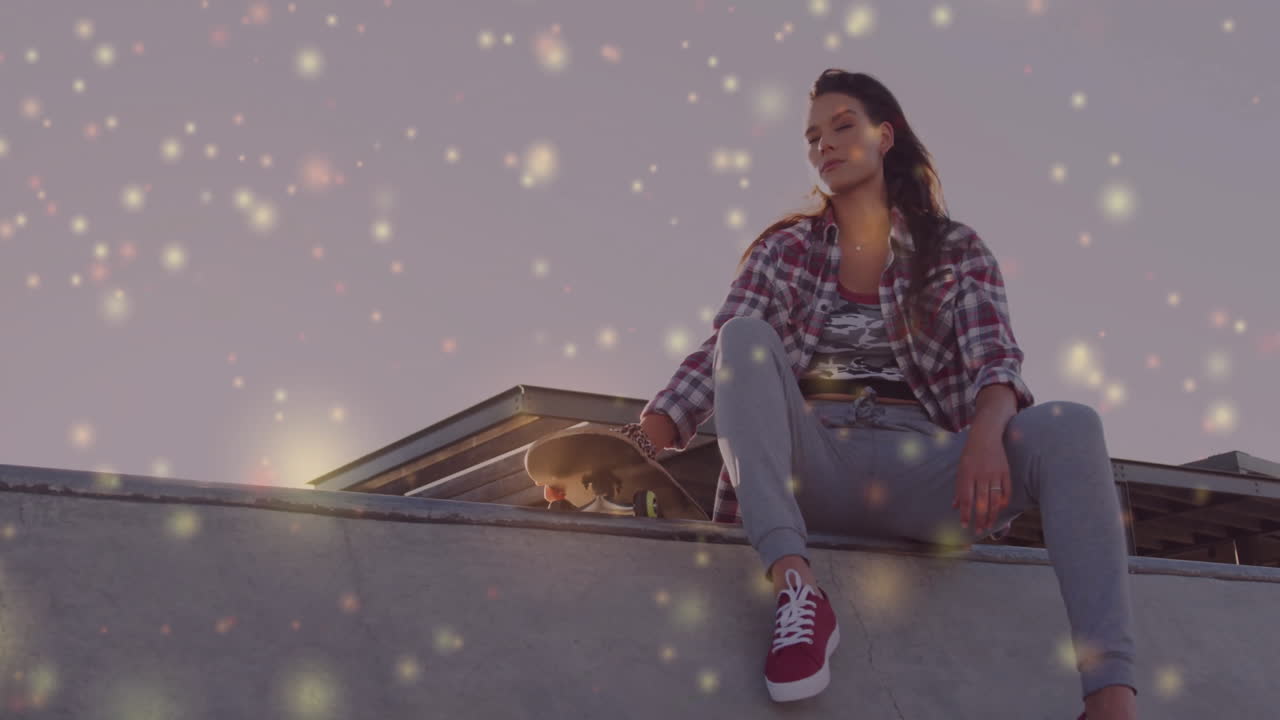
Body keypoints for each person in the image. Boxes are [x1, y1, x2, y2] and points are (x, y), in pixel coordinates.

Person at [619, 69, 1138, 718]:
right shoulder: (784, 250)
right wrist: (645, 435)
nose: (824, 146)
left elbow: (995, 361)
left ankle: (1110, 698)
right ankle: (800, 595)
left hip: (923, 468)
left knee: (1072, 425)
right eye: (812, 137)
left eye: (842, 127)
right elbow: (723, 352)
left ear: (884, 135)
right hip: (817, 466)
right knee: (746, 336)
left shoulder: (953, 250)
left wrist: (984, 436)